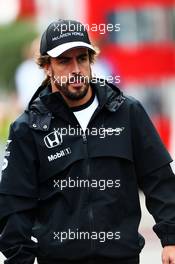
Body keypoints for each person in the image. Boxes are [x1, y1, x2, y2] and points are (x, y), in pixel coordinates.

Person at [0, 19, 175, 264]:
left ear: (91, 61)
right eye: (64, 61)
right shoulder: (27, 129)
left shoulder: (127, 112)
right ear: (47, 66)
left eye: (82, 58)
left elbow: (160, 180)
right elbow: (14, 207)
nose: (76, 69)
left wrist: (171, 239)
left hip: (122, 258)